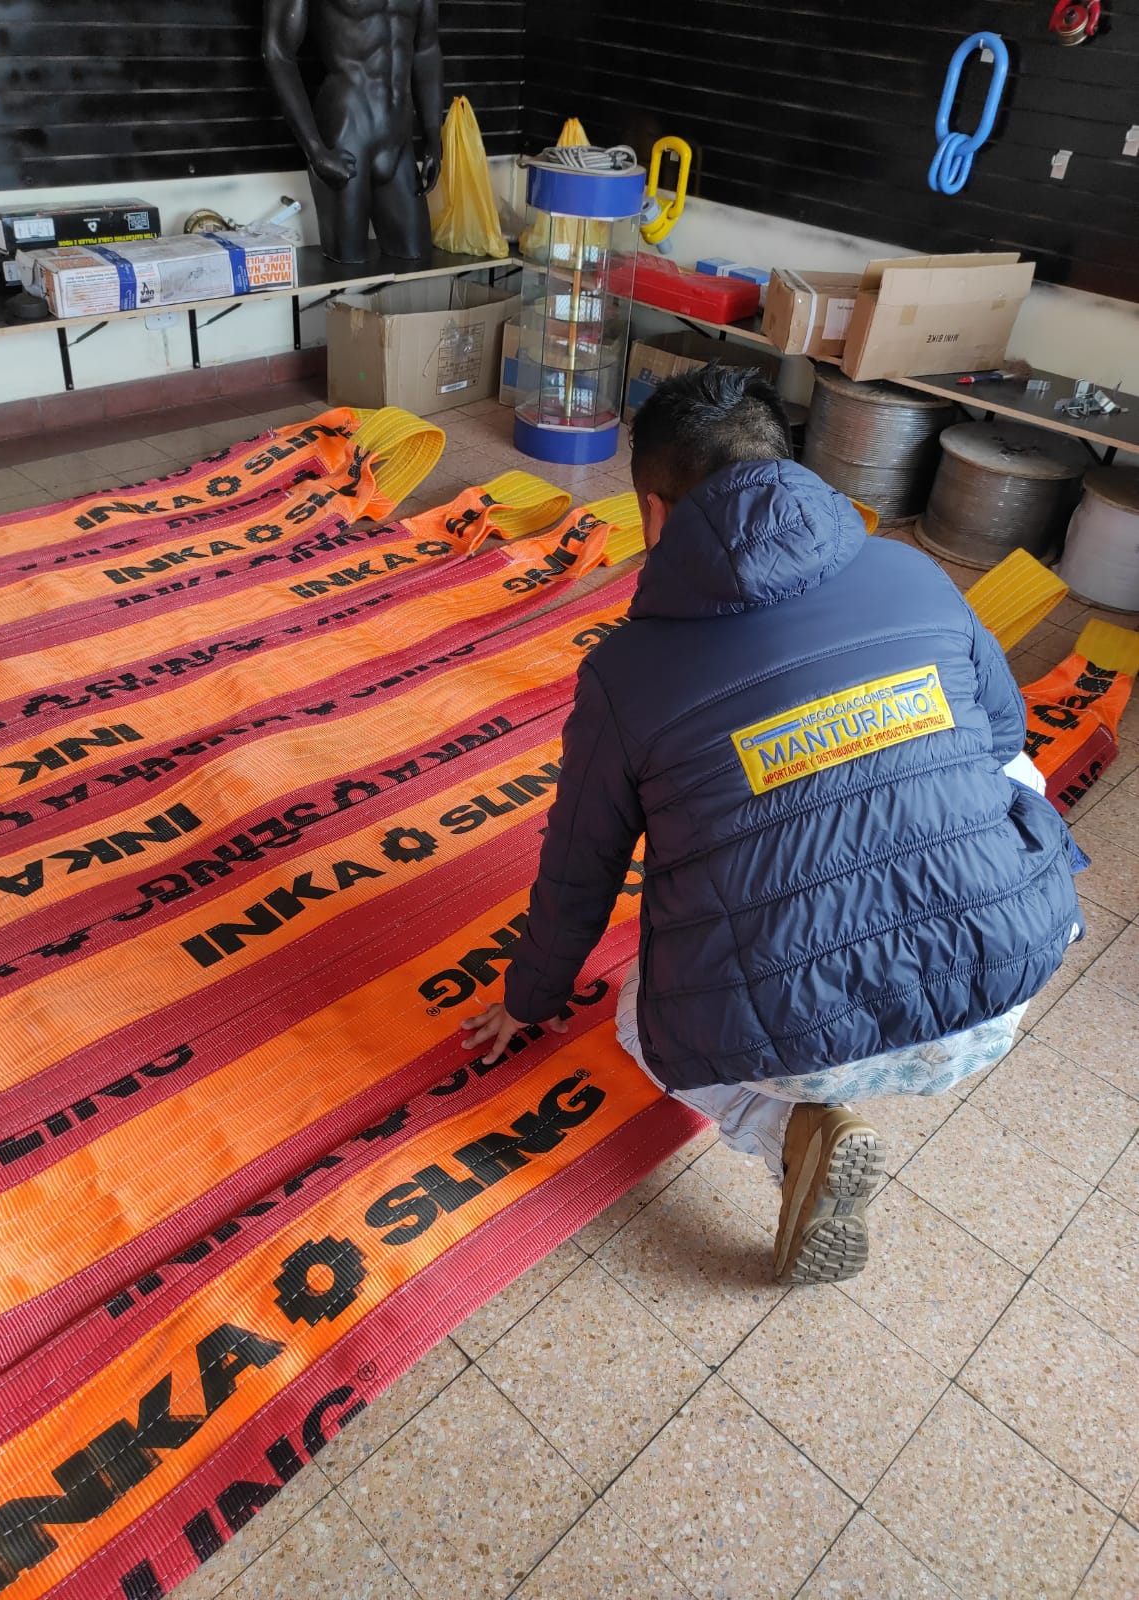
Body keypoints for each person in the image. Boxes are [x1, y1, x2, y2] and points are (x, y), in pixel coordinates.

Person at [462, 364, 1084, 1286]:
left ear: (653, 514)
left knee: (640, 1015)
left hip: (795, 1044)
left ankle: (786, 1127)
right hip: (1006, 980)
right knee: (988, 762)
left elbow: (580, 873)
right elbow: (1003, 733)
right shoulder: (913, 571)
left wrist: (529, 998)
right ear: (790, 471)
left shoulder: (625, 673)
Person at [263, 0, 443, 264]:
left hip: (398, 139)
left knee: (418, 261)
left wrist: (433, 137)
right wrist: (315, 149)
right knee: (347, 271)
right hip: (346, 134)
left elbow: (426, 49)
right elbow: (277, 52)